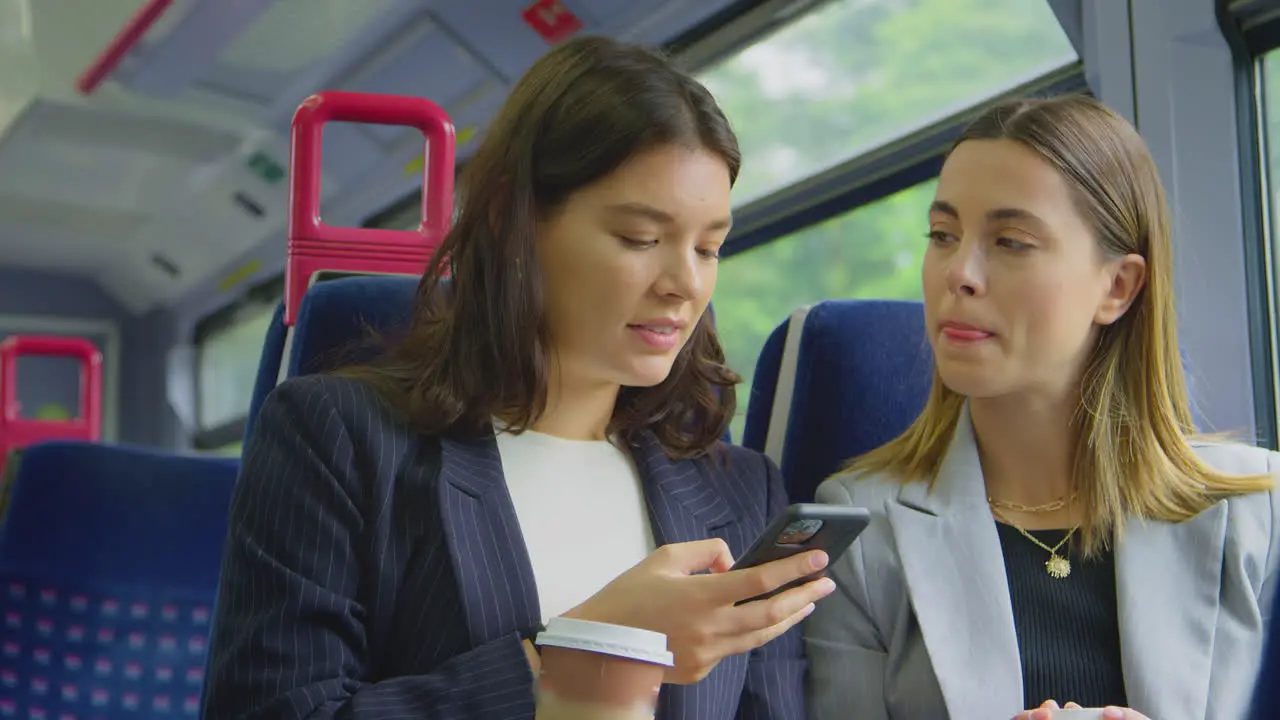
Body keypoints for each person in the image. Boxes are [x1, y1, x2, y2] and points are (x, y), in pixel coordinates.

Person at [200, 35, 836, 720]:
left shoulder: (740, 491)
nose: (685, 284)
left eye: (710, 247)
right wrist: (577, 658)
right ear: (515, 222)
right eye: (641, 240)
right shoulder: (338, 440)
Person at [803, 94, 1280, 720]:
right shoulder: (859, 530)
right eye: (943, 236)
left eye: (1011, 241)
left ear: (1117, 287)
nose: (959, 274)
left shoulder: (1260, 515)